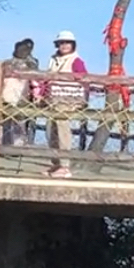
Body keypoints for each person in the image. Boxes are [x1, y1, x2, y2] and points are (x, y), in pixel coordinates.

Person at [43, 31, 87, 178]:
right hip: (53, 99)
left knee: (63, 129)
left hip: (68, 99)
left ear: (73, 45)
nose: (64, 45)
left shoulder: (76, 61)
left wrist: (83, 100)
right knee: (50, 130)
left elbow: (85, 79)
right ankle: (56, 163)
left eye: (68, 42)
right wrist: (43, 95)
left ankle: (65, 166)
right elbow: (47, 78)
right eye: (62, 42)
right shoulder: (53, 60)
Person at [0, 37, 39, 147]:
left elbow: (35, 79)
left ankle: (17, 146)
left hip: (22, 96)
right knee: (7, 122)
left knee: (19, 122)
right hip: (7, 95)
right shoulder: (7, 64)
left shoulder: (31, 63)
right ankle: (6, 145)